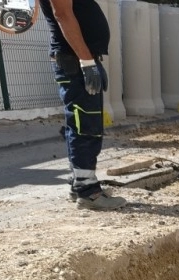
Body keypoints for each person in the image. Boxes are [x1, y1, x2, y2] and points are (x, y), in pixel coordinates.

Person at [39, 0, 126, 210]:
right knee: (84, 124)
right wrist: (87, 62)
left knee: (82, 122)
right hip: (75, 61)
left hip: (79, 59)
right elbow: (62, 14)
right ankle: (89, 193)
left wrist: (91, 60)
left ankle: (79, 183)